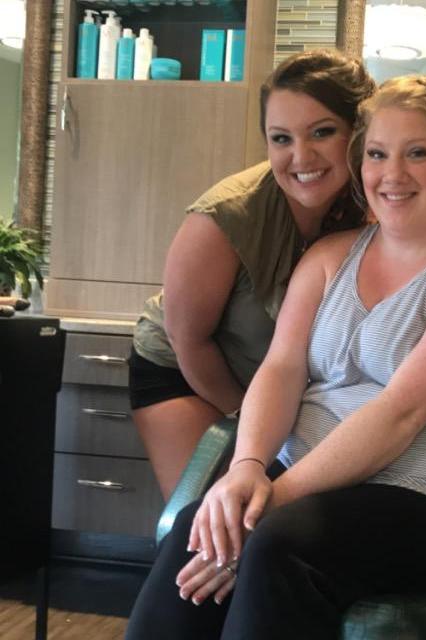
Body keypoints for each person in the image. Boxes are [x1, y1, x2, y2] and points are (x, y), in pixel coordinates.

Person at [125, 74, 426, 640]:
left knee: (276, 545)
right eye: (377, 154)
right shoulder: (329, 256)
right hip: (311, 487)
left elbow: (401, 412)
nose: (392, 174)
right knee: (197, 530)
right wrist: (246, 469)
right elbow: (281, 368)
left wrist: (266, 508)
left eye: (417, 153)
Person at [129, 50, 376, 500]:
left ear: (358, 134)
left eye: (322, 132)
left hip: (281, 390)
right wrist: (255, 430)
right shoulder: (224, 217)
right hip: (185, 372)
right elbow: (189, 341)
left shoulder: (372, 210)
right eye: (281, 138)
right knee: (211, 519)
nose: (301, 156)